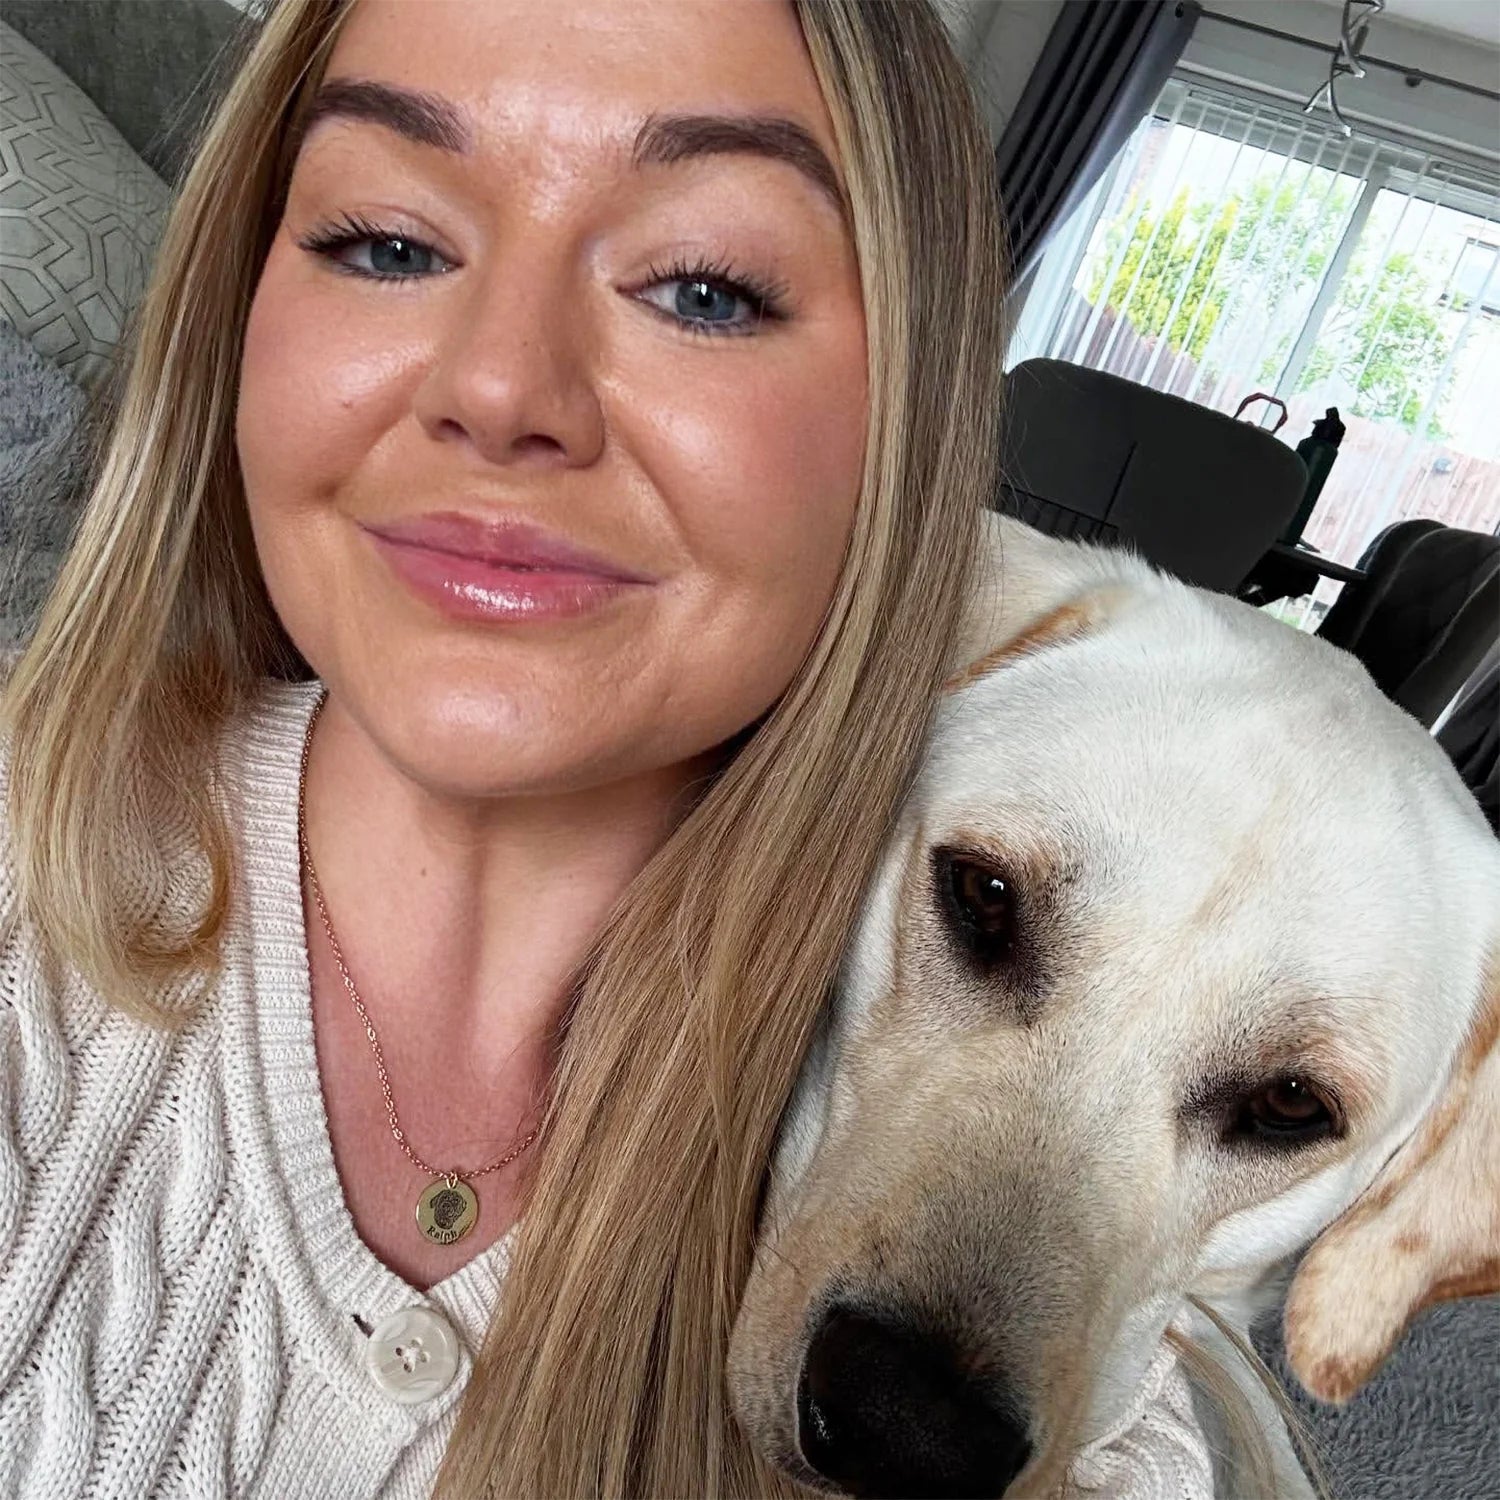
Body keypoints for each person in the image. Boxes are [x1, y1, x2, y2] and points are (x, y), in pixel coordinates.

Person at [0, 0, 1010, 1495]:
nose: (495, 389)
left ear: (904, 430)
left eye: (705, 289)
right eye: (387, 245)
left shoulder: (1006, 1272)